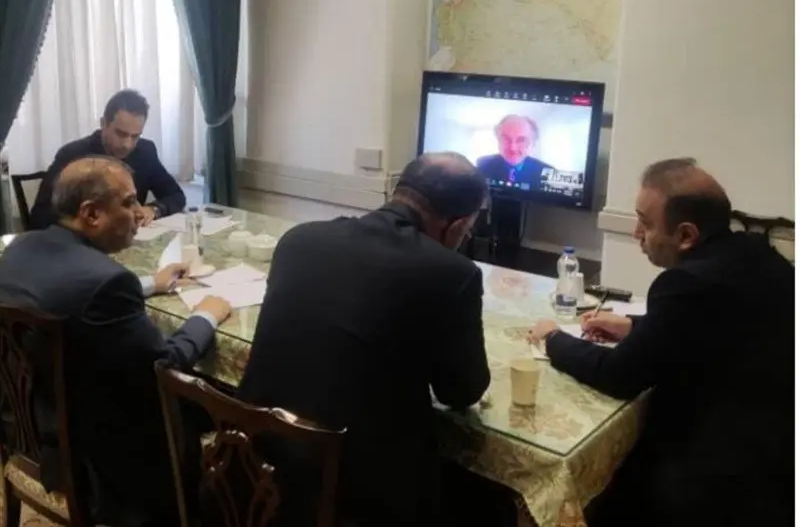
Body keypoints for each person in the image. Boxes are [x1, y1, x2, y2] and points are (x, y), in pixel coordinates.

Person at [237, 153, 519, 526]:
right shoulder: (452, 273)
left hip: (255, 467)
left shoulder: (298, 239)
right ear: (458, 226)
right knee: (488, 500)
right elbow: (461, 391)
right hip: (356, 495)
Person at [528, 158, 793, 527]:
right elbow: (714, 326)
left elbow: (619, 375)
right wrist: (633, 326)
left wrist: (553, 338)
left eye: (646, 223)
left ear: (685, 235)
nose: (636, 233)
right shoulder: (755, 252)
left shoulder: (685, 283)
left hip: (715, 473)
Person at [0, 156, 232, 527]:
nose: (140, 213)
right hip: (97, 462)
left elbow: (65, 295)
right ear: (91, 214)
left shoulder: (20, 248)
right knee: (222, 400)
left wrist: (151, 284)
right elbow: (164, 364)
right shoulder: (107, 282)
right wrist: (206, 316)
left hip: (27, 428)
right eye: (129, 202)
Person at [29, 89, 186, 230]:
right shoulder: (72, 154)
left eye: (135, 136)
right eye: (121, 134)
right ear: (103, 123)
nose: (127, 144)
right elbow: (40, 216)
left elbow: (176, 195)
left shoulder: (145, 151)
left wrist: (153, 210)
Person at [475, 114, 554, 186]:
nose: (513, 148)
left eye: (521, 140)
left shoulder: (548, 173)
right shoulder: (482, 163)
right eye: (506, 139)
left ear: (533, 144)